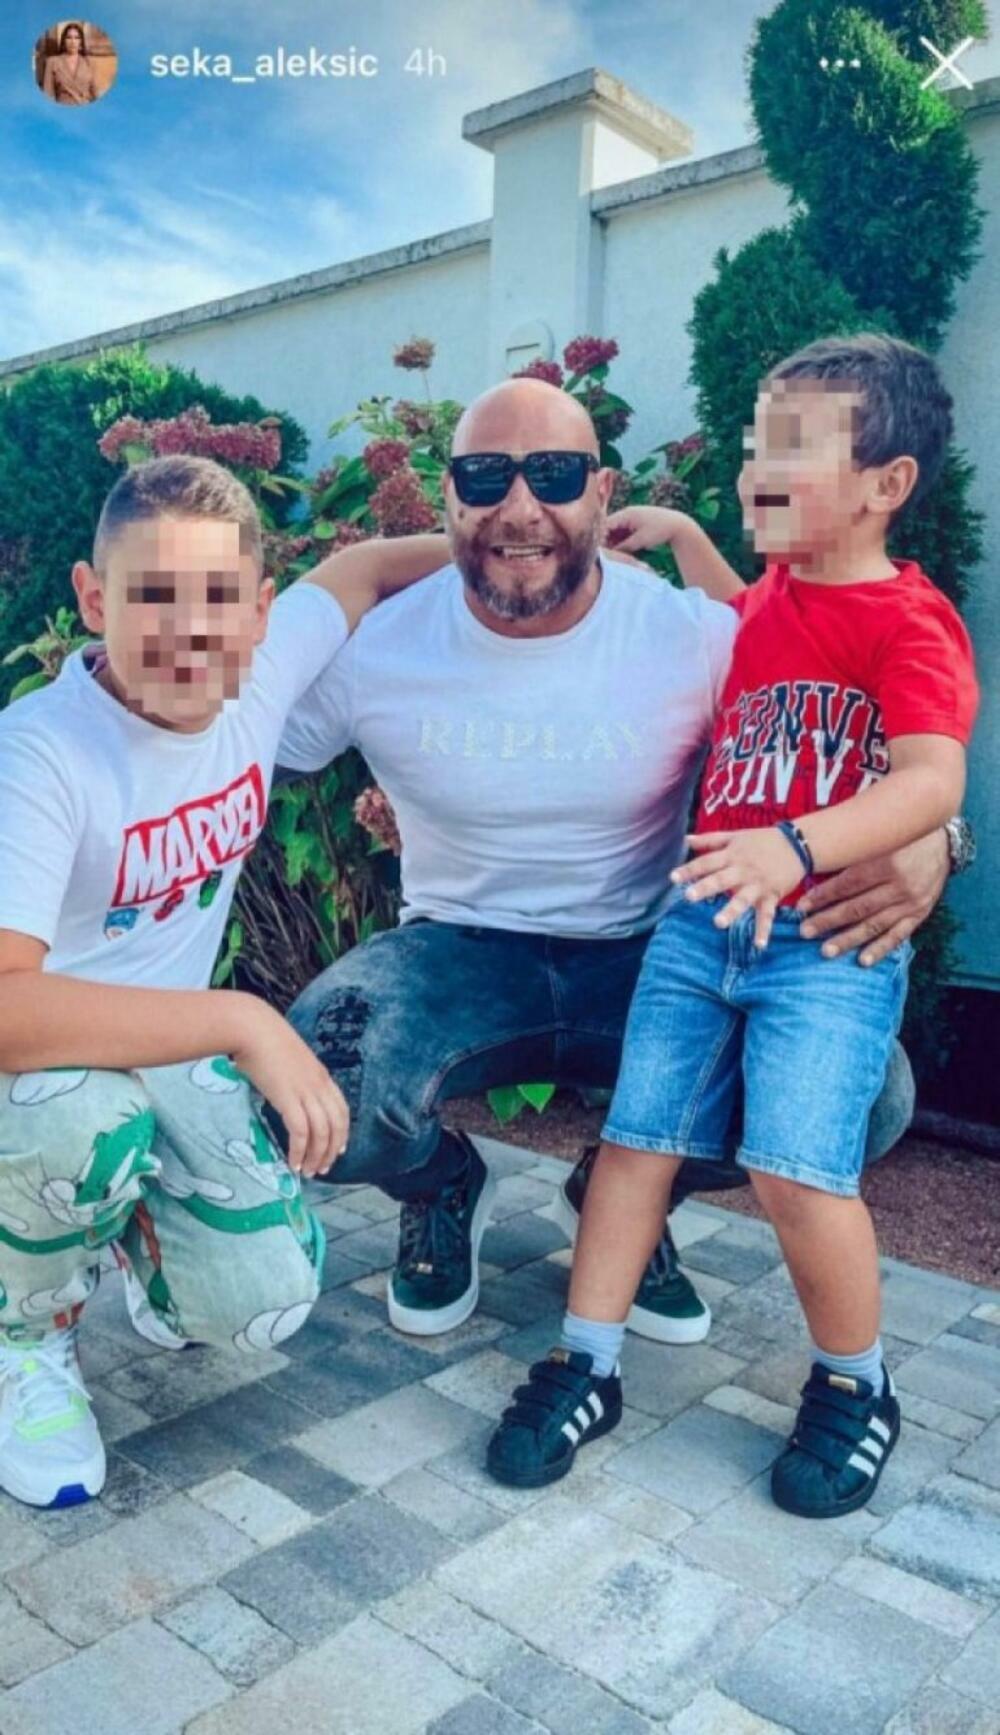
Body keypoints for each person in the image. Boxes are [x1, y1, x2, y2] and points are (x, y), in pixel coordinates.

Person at [277, 374, 958, 1353]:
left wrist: (938, 840)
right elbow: (218, 744)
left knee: (869, 1095)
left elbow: (855, 724)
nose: (520, 507)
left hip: (648, 954)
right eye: (486, 477)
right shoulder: (381, 643)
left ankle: (624, 1191)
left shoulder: (690, 634)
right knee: (311, 1090)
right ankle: (442, 1184)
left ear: (602, 494)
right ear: (449, 495)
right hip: (457, 949)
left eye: (555, 475)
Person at [486, 335, 979, 1519]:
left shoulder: (908, 623)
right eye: (757, 443)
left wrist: (795, 846)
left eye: (791, 447)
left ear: (886, 484)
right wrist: (679, 533)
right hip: (701, 926)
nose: (757, 465)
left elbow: (932, 780)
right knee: (634, 1141)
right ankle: (586, 1361)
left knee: (795, 1169)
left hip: (827, 949)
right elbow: (738, 611)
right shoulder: (771, 603)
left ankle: (855, 1383)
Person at [0, 453, 446, 1509]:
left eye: (217, 599)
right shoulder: (39, 756)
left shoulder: (258, 669)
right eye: (153, 595)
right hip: (38, 1071)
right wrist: (245, 1020)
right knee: (77, 1122)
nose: (190, 631)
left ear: (258, 610)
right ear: (94, 599)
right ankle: (24, 1332)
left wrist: (529, 551)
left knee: (258, 1307)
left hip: (169, 1056)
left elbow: (364, 569)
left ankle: (125, 1236)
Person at [42, 23, 97, 105]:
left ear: (81, 41)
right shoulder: (53, 62)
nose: (73, 41)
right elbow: (48, 94)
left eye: (76, 38)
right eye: (69, 37)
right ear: (64, 41)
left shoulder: (88, 62)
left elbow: (95, 93)